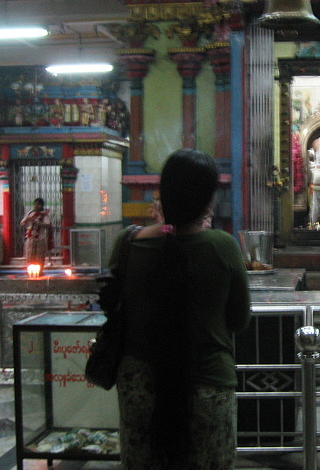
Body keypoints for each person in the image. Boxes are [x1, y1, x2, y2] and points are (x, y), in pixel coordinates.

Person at [114, 149, 251, 469]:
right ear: (208, 200)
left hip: (140, 386)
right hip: (207, 386)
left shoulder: (128, 243)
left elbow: (115, 308)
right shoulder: (223, 246)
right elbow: (239, 319)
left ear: (163, 193)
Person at [20, 197, 51, 273]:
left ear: (41, 206)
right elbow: (22, 223)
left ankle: (39, 271)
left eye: (37, 204)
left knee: (39, 255)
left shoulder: (44, 214)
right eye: (35, 204)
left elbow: (48, 224)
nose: (35, 206)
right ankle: (30, 271)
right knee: (30, 254)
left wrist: (39, 223)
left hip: (40, 238)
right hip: (30, 237)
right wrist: (27, 220)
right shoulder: (30, 213)